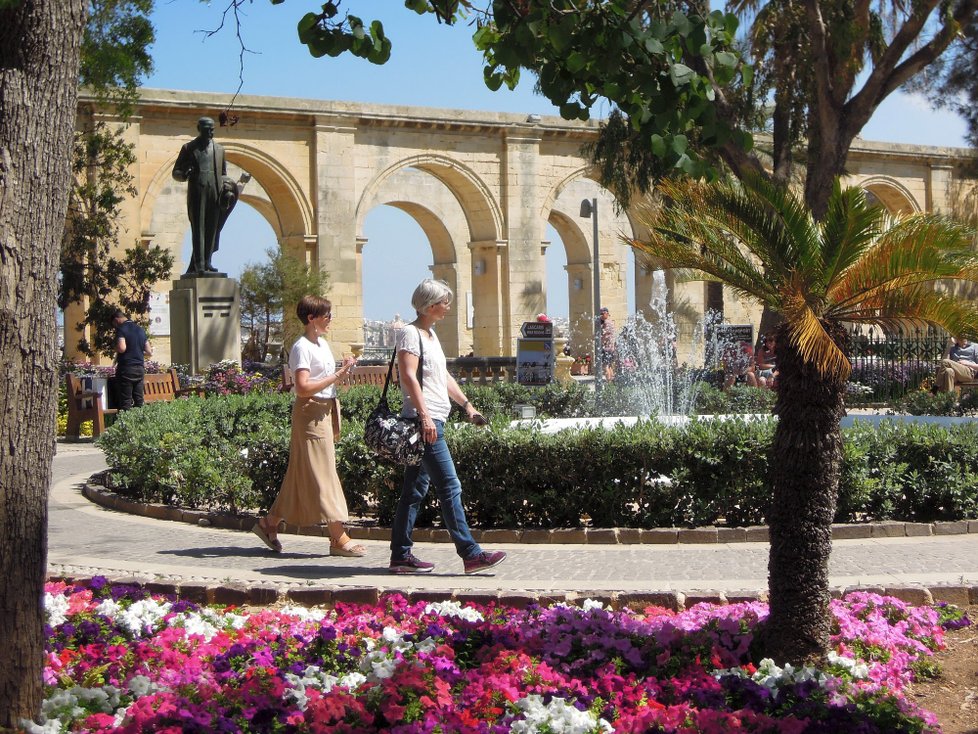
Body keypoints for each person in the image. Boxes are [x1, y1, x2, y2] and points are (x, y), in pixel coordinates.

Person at [389, 279, 507, 575]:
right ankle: (471, 554)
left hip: (434, 419)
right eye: (445, 302)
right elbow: (409, 377)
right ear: (430, 306)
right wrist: (425, 416)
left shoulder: (430, 335)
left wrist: (467, 406)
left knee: (414, 491)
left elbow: (442, 377)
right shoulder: (410, 334)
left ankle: (400, 556)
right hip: (424, 423)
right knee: (450, 486)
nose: (449, 307)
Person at [252, 295, 365, 557]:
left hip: (325, 412)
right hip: (310, 414)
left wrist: (343, 373)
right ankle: (338, 537)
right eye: (326, 315)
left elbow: (326, 381)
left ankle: (269, 523)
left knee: (301, 475)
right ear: (311, 318)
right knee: (323, 474)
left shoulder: (322, 345)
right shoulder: (301, 347)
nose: (330, 319)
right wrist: (336, 375)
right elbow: (302, 388)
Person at [171, 116, 240, 276]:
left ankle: (208, 262)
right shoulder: (189, 148)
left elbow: (223, 174)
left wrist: (227, 189)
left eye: (212, 129)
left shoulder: (220, 150)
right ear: (199, 129)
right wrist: (184, 174)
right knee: (198, 228)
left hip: (214, 192)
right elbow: (176, 172)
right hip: (197, 191)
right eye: (207, 129)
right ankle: (199, 264)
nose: (211, 132)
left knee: (212, 228)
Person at [112, 310, 152, 410]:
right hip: (139, 368)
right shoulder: (140, 330)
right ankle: (139, 424)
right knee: (139, 400)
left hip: (126, 369)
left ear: (116, 320)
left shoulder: (121, 329)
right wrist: (136, 351)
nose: (115, 326)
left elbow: (122, 348)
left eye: (114, 324)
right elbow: (149, 351)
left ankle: (125, 424)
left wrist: (115, 347)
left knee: (126, 401)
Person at [599, 306, 616, 381]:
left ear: (607, 313)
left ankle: (608, 383)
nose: (601, 315)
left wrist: (599, 340)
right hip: (611, 348)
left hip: (606, 348)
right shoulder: (612, 322)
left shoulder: (606, 323)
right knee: (610, 366)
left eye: (602, 313)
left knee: (605, 366)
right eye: (600, 314)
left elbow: (605, 336)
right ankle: (611, 384)